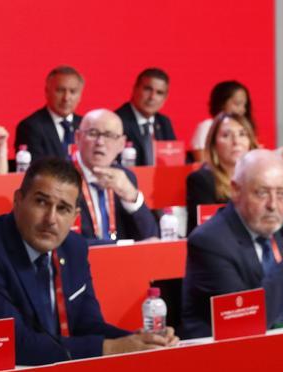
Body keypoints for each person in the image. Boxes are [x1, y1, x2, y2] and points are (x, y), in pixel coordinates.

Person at [0, 157, 178, 365]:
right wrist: (112, 348)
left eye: (63, 209)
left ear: (75, 217)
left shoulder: (73, 248)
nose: (51, 219)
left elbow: (87, 325)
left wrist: (139, 341)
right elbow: (11, 344)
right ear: (18, 200)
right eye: (41, 202)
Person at [181, 150, 283, 338]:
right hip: (233, 358)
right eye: (262, 193)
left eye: (282, 193)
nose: (273, 205)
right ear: (235, 190)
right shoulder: (209, 242)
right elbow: (243, 323)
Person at [71, 109, 158, 244]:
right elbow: (66, 242)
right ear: (77, 137)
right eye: (93, 133)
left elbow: (150, 236)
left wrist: (131, 197)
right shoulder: (60, 177)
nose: (100, 142)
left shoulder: (125, 176)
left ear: (122, 144)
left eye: (109, 135)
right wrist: (120, 246)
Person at [185, 112, 258, 229]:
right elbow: (208, 231)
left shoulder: (258, 179)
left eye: (242, 134)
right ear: (214, 145)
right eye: (226, 135)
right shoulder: (201, 181)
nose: (236, 142)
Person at [14, 66, 84, 160]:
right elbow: (35, 169)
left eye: (73, 92)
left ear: (80, 95)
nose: (66, 98)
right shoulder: (30, 127)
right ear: (47, 91)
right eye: (60, 90)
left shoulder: (86, 126)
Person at [115, 68, 177, 166]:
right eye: (148, 89)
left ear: (165, 98)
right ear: (135, 89)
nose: (152, 97)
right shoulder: (116, 121)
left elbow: (174, 161)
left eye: (159, 93)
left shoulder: (164, 123)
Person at [189, 80, 253, 162]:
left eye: (244, 105)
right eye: (237, 104)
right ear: (221, 103)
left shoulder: (245, 127)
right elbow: (202, 162)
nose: (242, 110)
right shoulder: (207, 126)